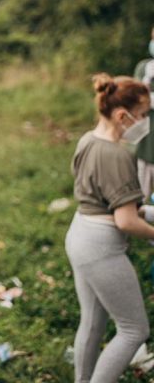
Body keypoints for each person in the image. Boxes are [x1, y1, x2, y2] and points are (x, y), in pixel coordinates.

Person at [66, 73, 151, 383]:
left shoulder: (88, 140)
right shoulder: (117, 155)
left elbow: (116, 203)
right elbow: (126, 220)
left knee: (92, 321)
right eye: (143, 115)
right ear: (121, 115)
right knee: (134, 329)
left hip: (80, 235)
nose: (145, 122)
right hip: (101, 249)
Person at [133, 26, 154, 200]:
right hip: (145, 146)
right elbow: (134, 102)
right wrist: (146, 82)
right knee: (140, 196)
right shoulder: (144, 68)